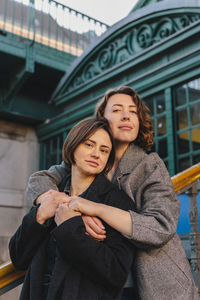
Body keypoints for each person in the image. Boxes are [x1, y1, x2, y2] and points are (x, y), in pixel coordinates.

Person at [26, 86, 199, 300]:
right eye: (117, 110)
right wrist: (69, 207)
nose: (126, 115)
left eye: (133, 111)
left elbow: (161, 227)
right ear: (102, 119)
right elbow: (38, 181)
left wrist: (93, 208)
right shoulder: (87, 160)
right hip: (104, 282)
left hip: (157, 284)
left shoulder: (149, 165)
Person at [9, 118, 137, 300]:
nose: (96, 154)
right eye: (89, 144)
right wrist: (39, 215)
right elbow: (18, 257)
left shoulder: (117, 203)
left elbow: (116, 272)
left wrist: (70, 225)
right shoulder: (52, 193)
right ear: (73, 146)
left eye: (104, 150)